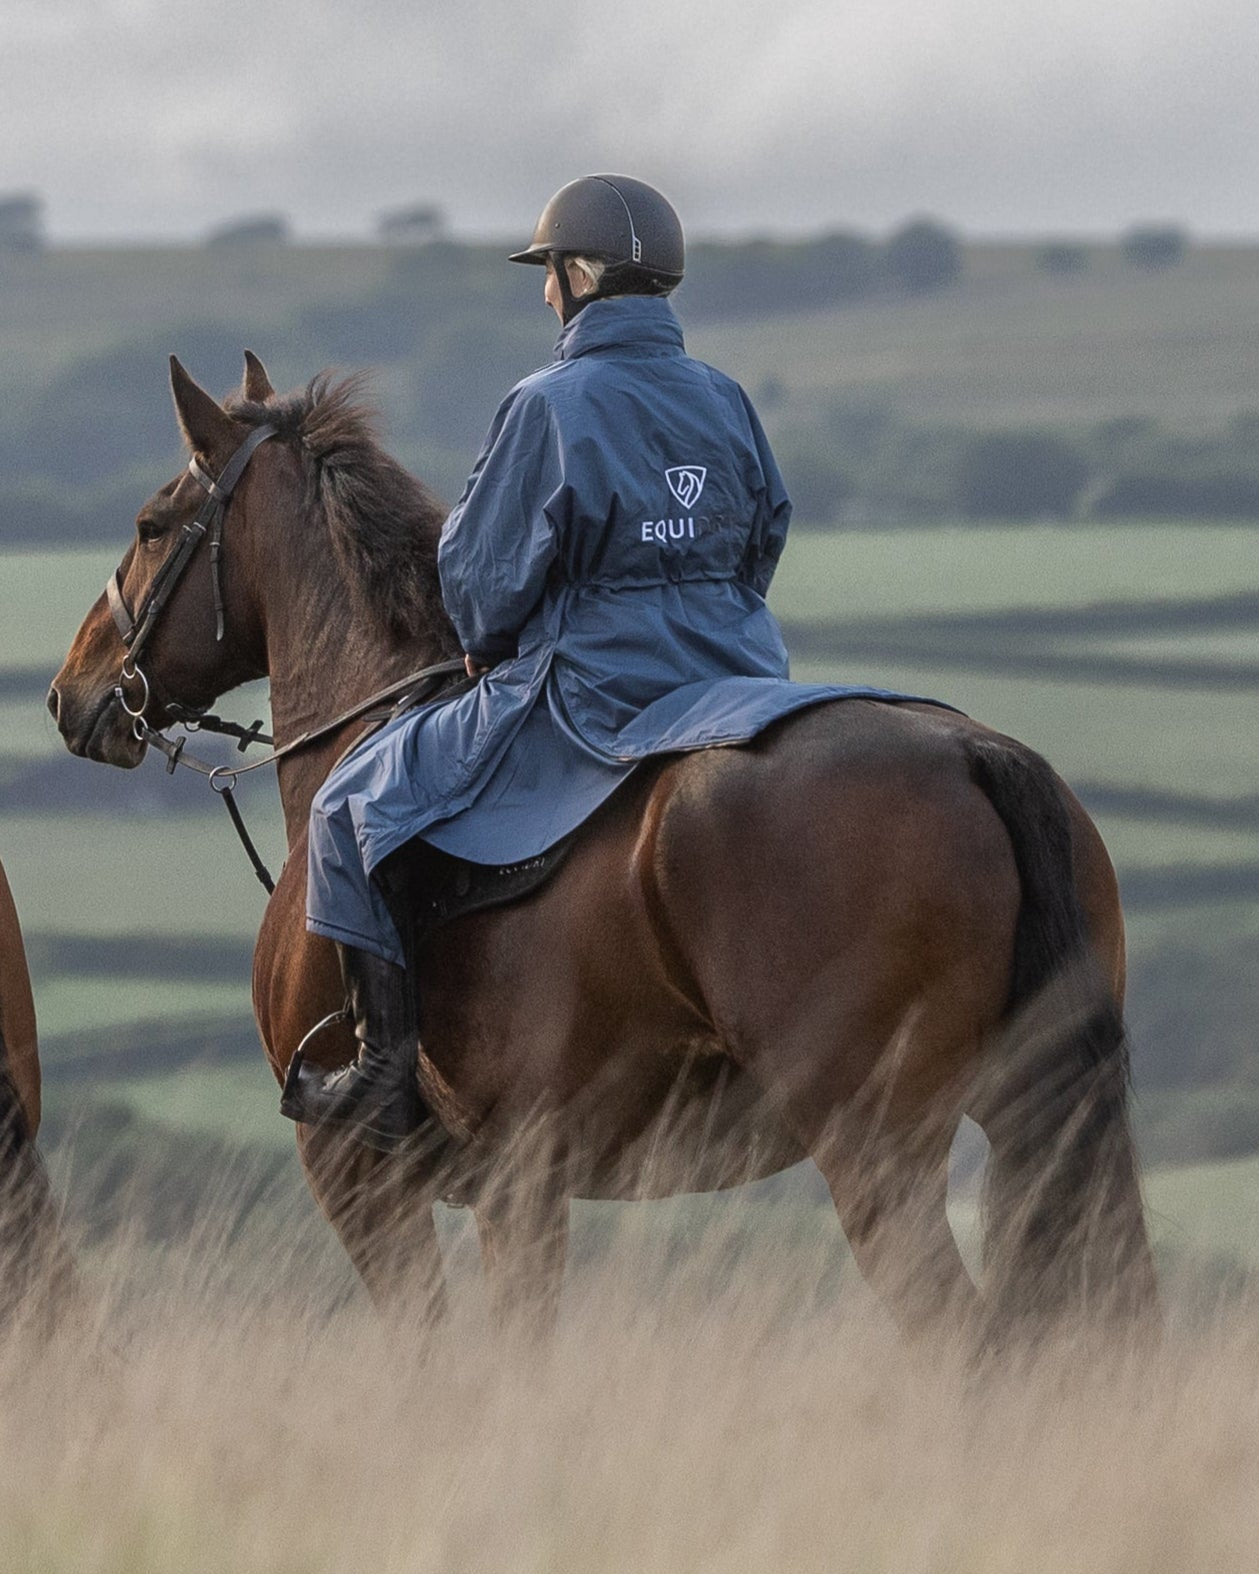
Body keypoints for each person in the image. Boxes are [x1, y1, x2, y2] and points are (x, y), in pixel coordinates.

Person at [282, 174, 906, 1149]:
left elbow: (481, 582)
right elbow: (764, 533)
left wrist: (494, 650)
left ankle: (378, 1071)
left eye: (548, 274)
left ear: (579, 273)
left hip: (591, 688)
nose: (542, 293)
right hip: (735, 673)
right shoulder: (723, 395)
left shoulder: (548, 403)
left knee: (344, 806)